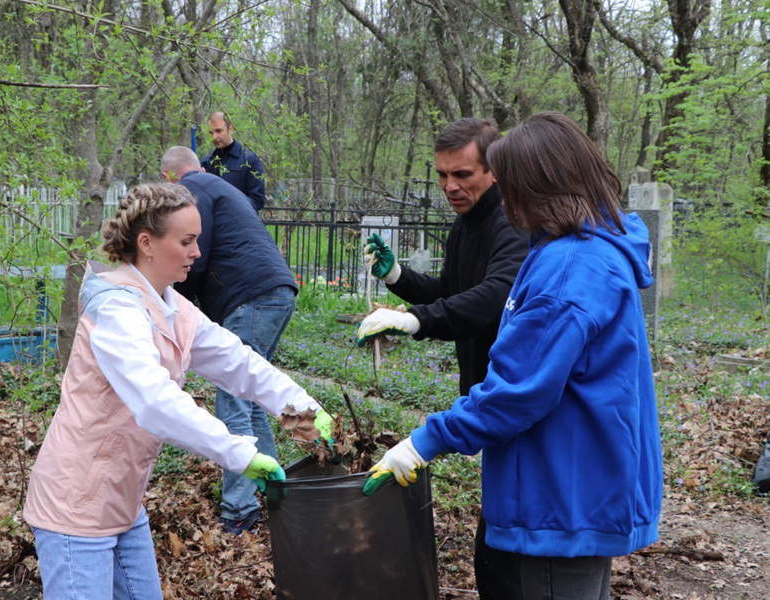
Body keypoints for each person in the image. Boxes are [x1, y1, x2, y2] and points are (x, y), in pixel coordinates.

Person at [363, 112, 663, 599]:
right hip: (574, 485)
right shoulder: (585, 250)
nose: (505, 197)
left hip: (558, 500)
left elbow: (518, 392)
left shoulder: (566, 271)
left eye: (510, 183)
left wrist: (423, 442)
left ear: (536, 186)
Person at [23, 183, 332, 598]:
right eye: (186, 241)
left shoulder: (174, 307)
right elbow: (155, 401)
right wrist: (242, 454)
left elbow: (239, 363)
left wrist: (307, 411)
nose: (197, 252)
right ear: (147, 243)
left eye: (197, 240)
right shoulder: (116, 309)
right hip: (76, 504)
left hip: (123, 501)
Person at [356, 118, 529, 594]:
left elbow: (496, 295)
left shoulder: (511, 222)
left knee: (504, 547)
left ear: (493, 170)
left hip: (518, 397)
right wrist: (399, 280)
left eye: (463, 175)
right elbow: (453, 293)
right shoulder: (466, 223)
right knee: (497, 540)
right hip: (490, 397)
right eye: (442, 175)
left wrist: (416, 320)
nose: (450, 186)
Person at [161, 146, 309, 536]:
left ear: (169, 179)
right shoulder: (217, 185)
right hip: (277, 291)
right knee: (251, 396)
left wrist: (171, 305)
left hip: (251, 297)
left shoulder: (192, 193)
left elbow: (195, 258)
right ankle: (279, 493)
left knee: (232, 396)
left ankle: (239, 510)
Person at [200, 112, 266, 211]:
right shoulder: (206, 163)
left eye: (219, 131)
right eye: (211, 132)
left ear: (230, 129)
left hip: (241, 224)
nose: (214, 136)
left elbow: (257, 200)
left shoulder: (250, 160)